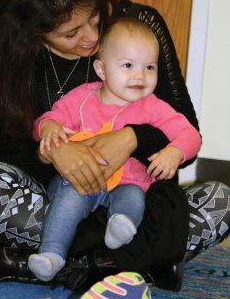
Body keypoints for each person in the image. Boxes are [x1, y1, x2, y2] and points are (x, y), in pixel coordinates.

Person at [0, 0, 229, 292]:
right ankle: (127, 265)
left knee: (222, 199)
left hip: (134, 204)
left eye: (94, 18)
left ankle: (52, 264)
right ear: (32, 32)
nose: (91, 38)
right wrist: (56, 154)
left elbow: (186, 137)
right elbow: (3, 152)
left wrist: (132, 138)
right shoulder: (16, 56)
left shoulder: (138, 29)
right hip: (58, 202)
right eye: (71, 33)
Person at [28, 18, 202, 282]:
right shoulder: (82, 97)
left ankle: (120, 229)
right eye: (128, 65)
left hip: (128, 185)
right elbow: (48, 120)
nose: (140, 75)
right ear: (101, 69)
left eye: (149, 67)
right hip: (80, 183)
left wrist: (175, 152)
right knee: (67, 201)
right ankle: (52, 255)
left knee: (133, 198)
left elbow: (190, 135)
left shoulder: (153, 106)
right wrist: (49, 127)